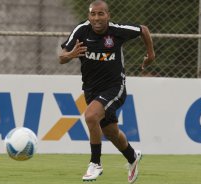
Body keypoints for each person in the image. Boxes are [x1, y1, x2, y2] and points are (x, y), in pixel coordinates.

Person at [58, 0, 155, 183]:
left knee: (91, 116)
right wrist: (70, 55)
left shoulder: (117, 31)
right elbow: (61, 57)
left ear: (108, 16)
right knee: (111, 132)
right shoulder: (81, 30)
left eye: (101, 14)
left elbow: (143, 29)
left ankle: (95, 163)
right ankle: (132, 157)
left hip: (114, 87)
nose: (97, 18)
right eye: (93, 14)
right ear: (89, 16)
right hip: (91, 90)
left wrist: (150, 54)